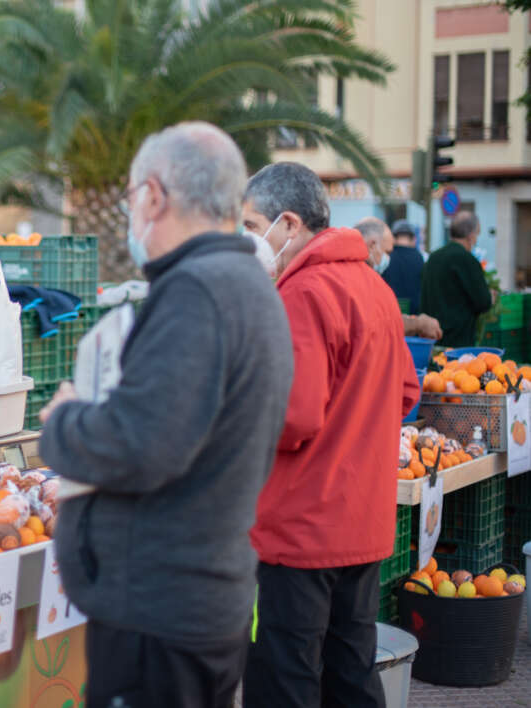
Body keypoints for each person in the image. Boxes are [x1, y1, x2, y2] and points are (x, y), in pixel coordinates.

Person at [38, 122, 294, 708]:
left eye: (131, 198)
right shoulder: (248, 285)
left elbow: (141, 445)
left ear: (153, 196)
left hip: (159, 614)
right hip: (197, 600)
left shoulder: (196, 292)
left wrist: (66, 420)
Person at [241, 162, 420, 707]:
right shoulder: (374, 287)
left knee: (285, 677)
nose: (247, 240)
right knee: (350, 670)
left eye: (252, 227)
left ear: (289, 224)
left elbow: (291, 417)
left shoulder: (301, 293)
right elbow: (407, 391)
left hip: (300, 530)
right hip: (362, 521)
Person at [355, 216, 442, 340]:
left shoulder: (364, 274)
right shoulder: (419, 258)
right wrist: (417, 323)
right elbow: (373, 323)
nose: (388, 258)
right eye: (388, 252)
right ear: (372, 246)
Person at [421, 211, 494, 347]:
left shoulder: (433, 257)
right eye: (477, 234)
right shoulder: (467, 260)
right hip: (458, 340)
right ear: (471, 235)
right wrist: (490, 297)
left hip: (431, 336)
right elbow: (483, 302)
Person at [382, 218, 426, 312]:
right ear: (413, 238)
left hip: (391, 309)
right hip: (414, 312)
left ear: (393, 238)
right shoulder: (419, 257)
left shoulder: (387, 257)